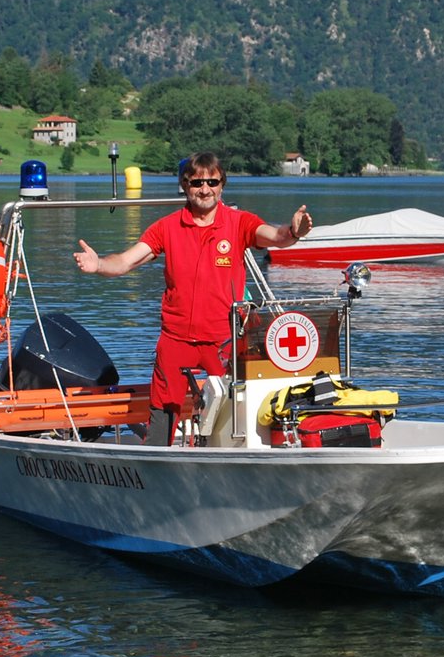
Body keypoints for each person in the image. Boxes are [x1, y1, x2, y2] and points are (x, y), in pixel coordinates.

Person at [73, 151, 313, 445]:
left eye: (212, 181)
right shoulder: (167, 227)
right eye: (197, 182)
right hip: (176, 339)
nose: (205, 189)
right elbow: (125, 262)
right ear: (185, 185)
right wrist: (99, 265)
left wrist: (294, 232)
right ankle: (158, 460)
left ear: (222, 184)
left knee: (237, 407)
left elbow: (276, 236)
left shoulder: (239, 223)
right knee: (163, 411)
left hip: (224, 339)